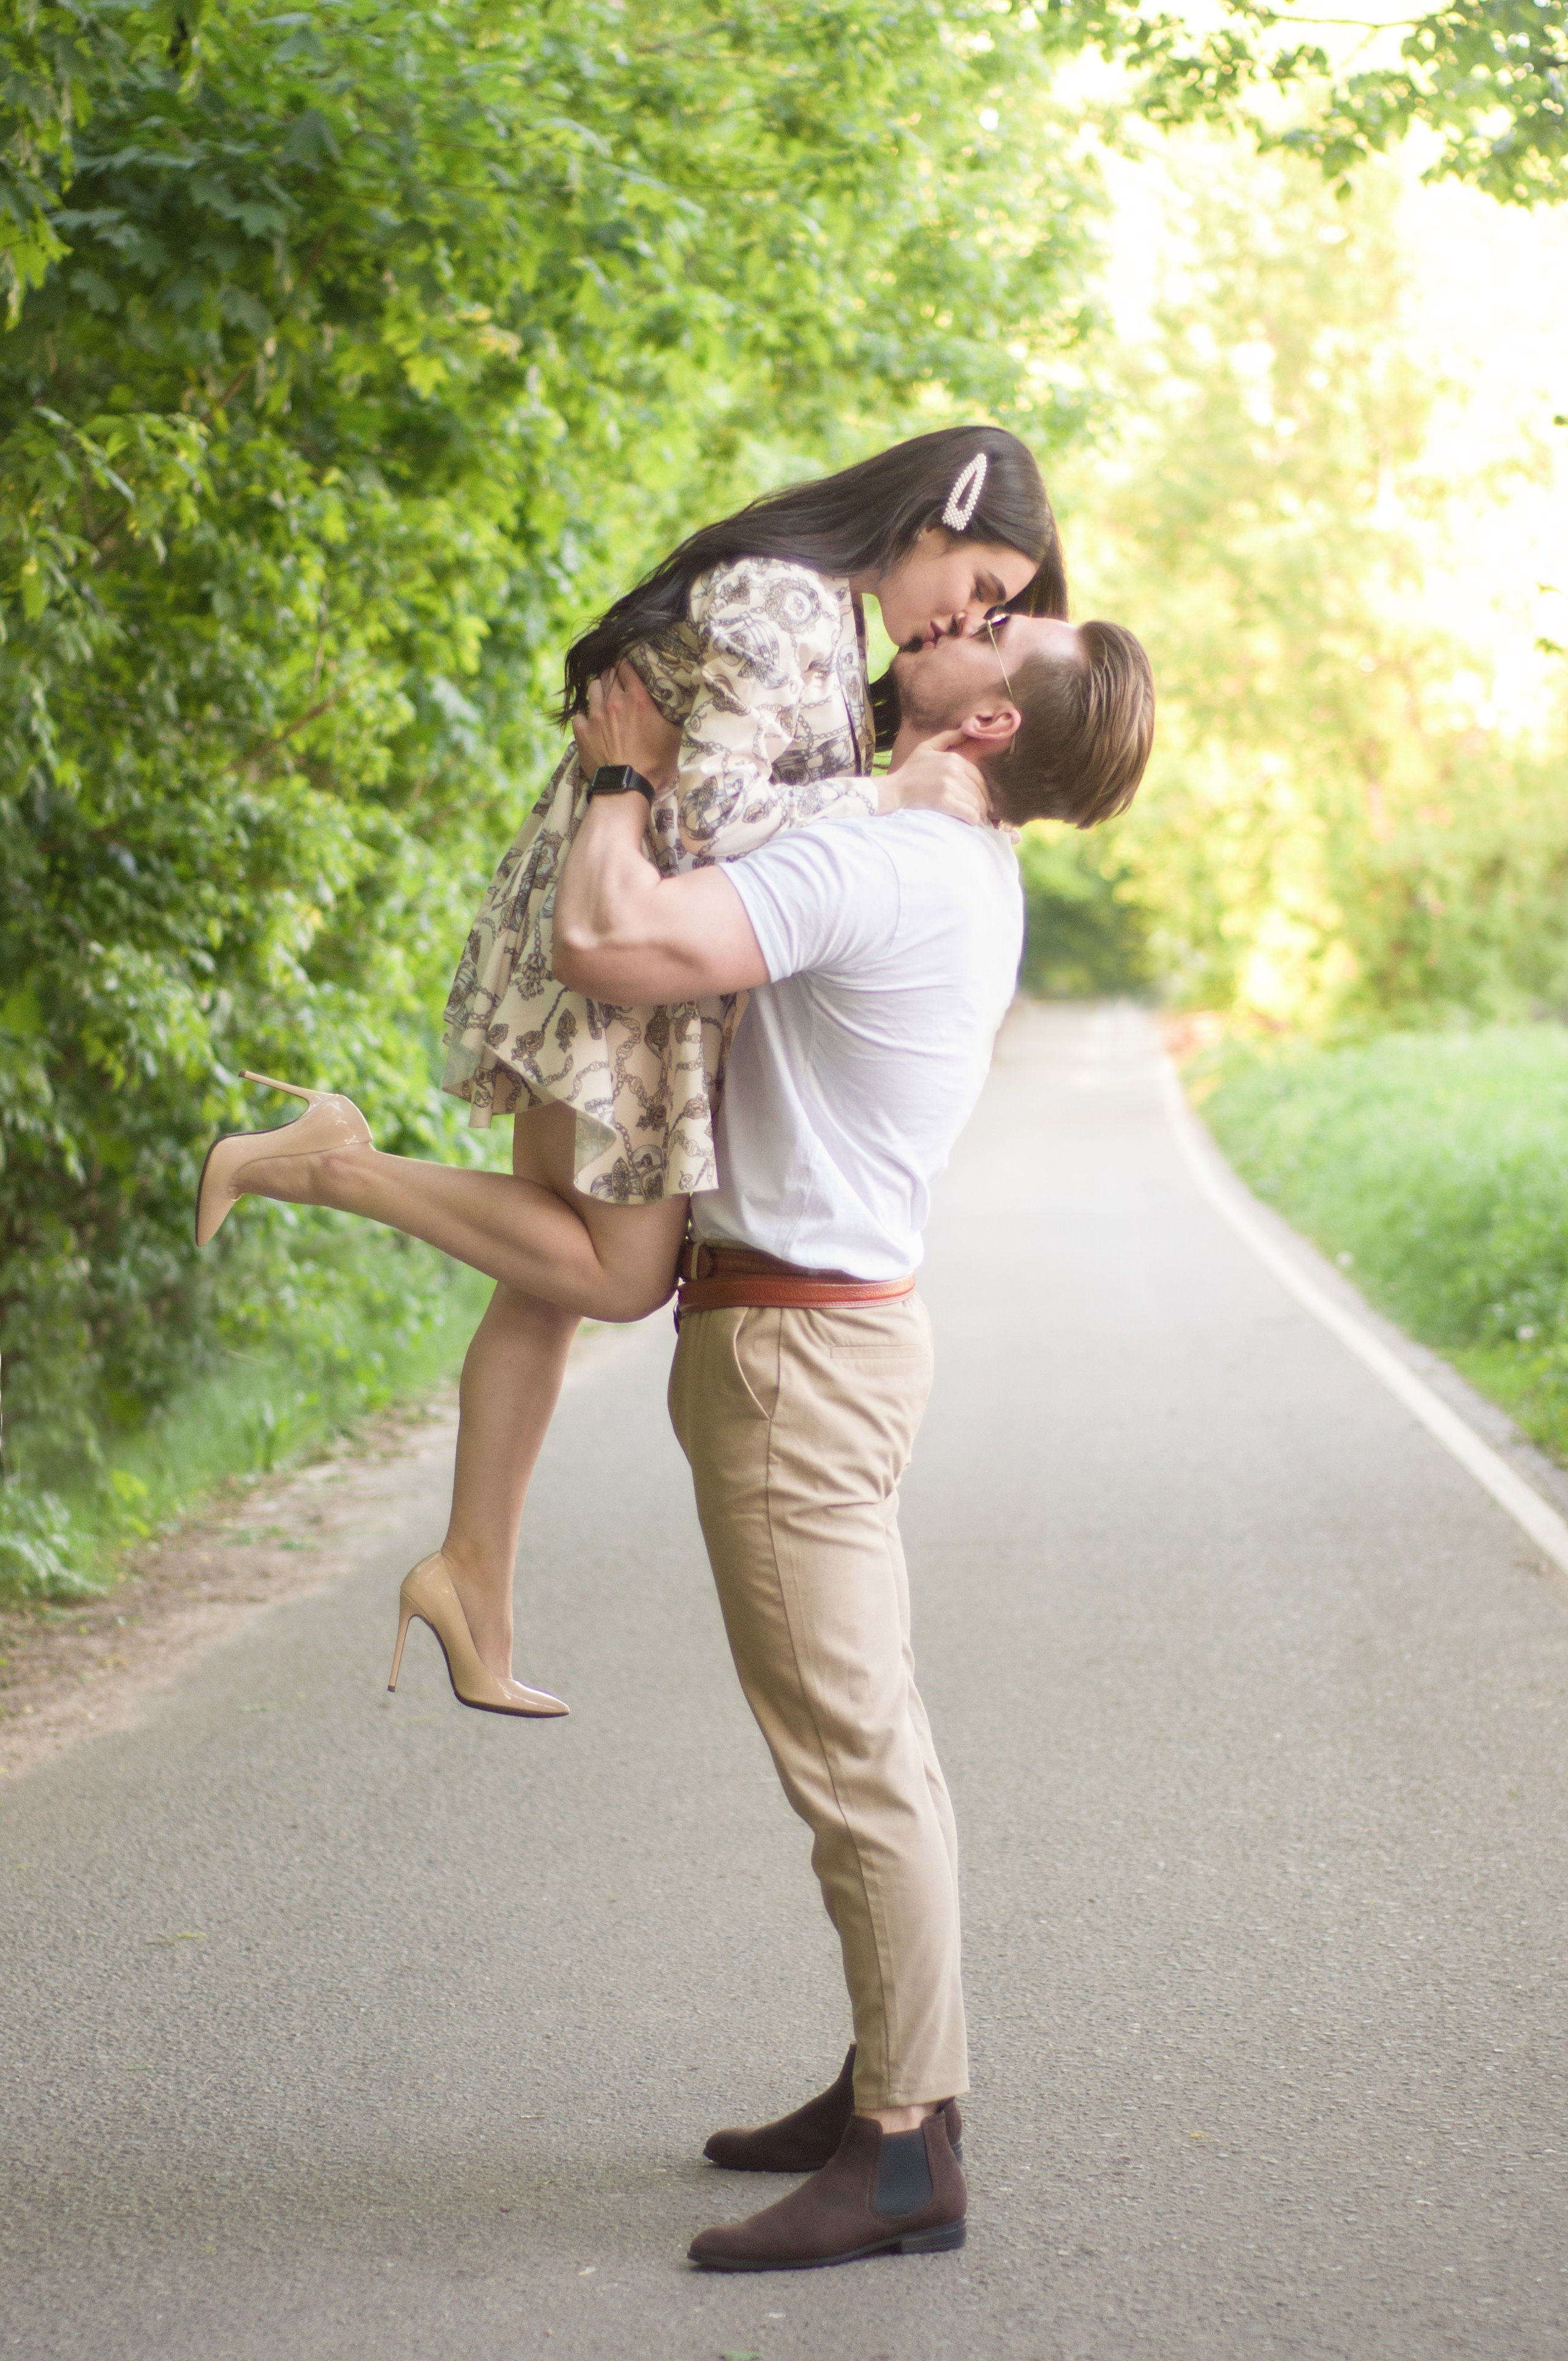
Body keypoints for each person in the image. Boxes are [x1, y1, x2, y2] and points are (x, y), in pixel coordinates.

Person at [195, 429, 1061, 1717]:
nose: (969, 614)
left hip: (616, 928)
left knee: (538, 1279)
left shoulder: (818, 610)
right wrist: (883, 805)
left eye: (994, 612)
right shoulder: (784, 596)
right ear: (943, 511)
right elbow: (705, 824)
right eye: (984, 583)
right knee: (617, 1272)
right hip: (621, 954)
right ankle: (326, 1160)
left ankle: (469, 1582)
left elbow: (731, 793)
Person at [537, 604, 1154, 2271]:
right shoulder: (929, 856)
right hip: (831, 1331)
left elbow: (607, 942)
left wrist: (619, 768)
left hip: (797, 1355)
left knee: (857, 1760)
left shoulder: (884, 873)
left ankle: (905, 2155)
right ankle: (893, 2080)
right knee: (870, 1741)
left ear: (990, 731)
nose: (962, 618)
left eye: (1000, 629)